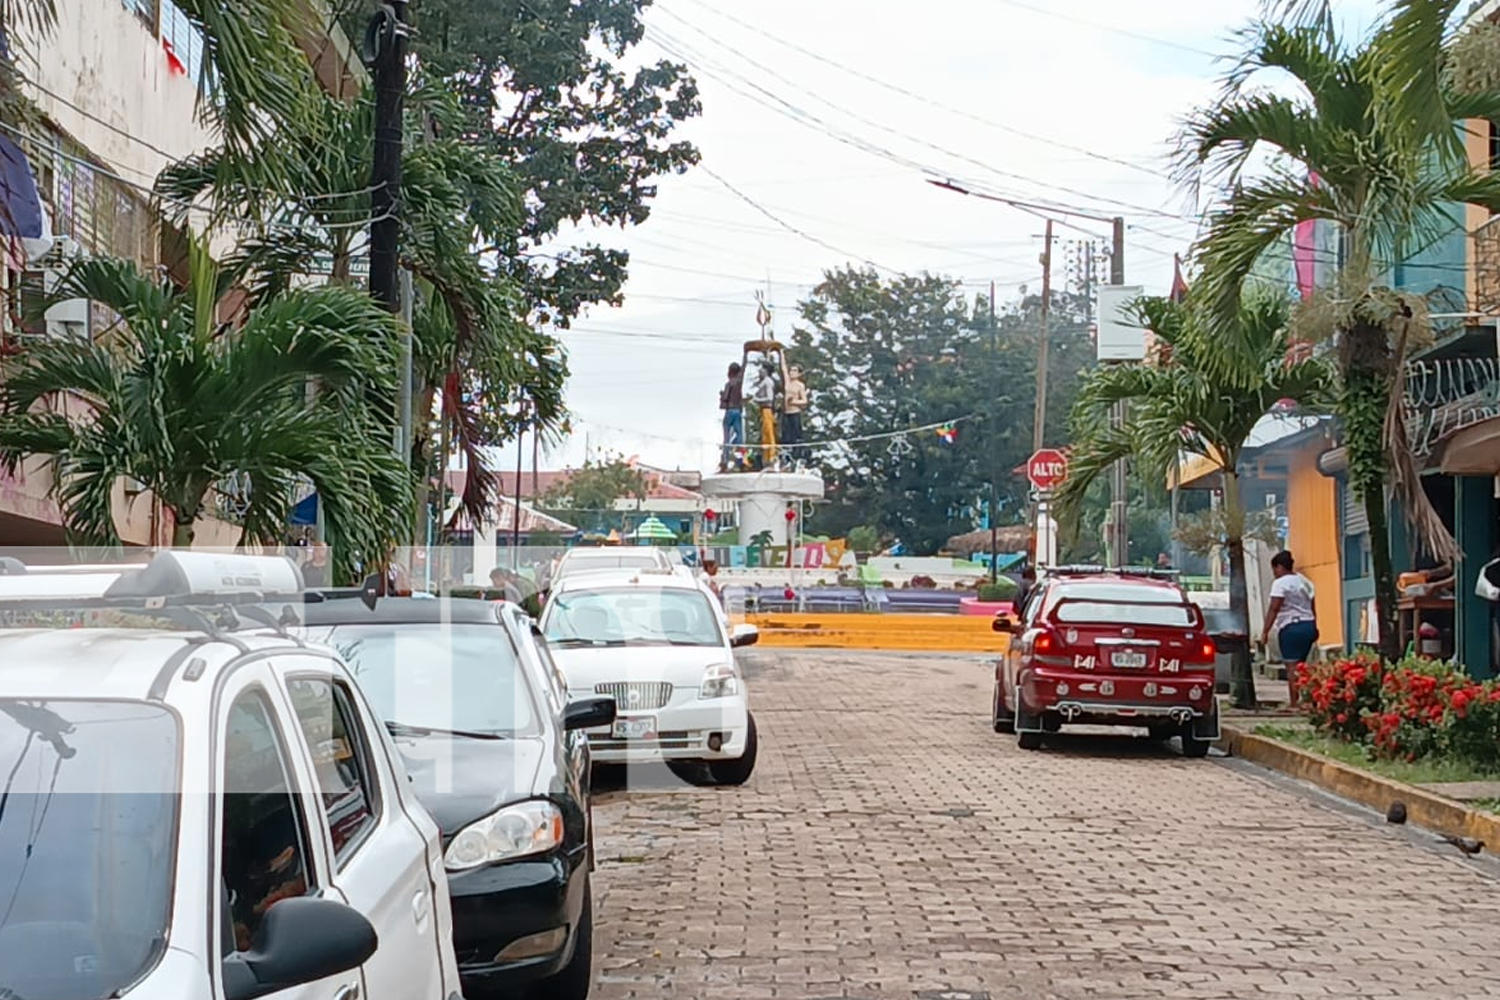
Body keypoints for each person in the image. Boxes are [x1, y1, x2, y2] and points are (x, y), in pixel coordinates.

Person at [1261, 549, 1319, 671]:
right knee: (1302, 667)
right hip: (1308, 625)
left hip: (1291, 629)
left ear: (1280, 567)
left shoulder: (1280, 583)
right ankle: (1302, 690)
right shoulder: (1305, 581)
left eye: (1274, 569)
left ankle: (1294, 690)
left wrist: (1265, 631)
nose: (1274, 573)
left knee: (1292, 668)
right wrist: (1314, 626)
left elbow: (1274, 609)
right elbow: (1312, 606)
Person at [749, 360, 778, 466]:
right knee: (765, 435)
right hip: (763, 410)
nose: (760, 370)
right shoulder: (764, 381)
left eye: (762, 368)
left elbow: (769, 398)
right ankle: (766, 457)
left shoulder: (768, 382)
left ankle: (771, 456)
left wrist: (757, 399)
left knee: (769, 434)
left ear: (766, 370)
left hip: (767, 409)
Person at [781, 364, 808, 465]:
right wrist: (781, 352)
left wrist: (793, 402)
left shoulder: (800, 385)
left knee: (796, 436)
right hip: (786, 414)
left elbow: (805, 401)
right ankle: (786, 458)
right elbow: (783, 368)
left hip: (795, 413)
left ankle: (798, 457)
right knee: (785, 437)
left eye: (794, 370)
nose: (791, 372)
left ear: (799, 373)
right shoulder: (788, 383)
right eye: (791, 370)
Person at [719, 363, 744, 471]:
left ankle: (725, 460)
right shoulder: (739, 383)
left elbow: (725, 398)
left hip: (730, 411)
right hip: (738, 411)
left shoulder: (729, 384)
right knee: (739, 436)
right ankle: (741, 459)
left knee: (727, 437)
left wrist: (721, 396)